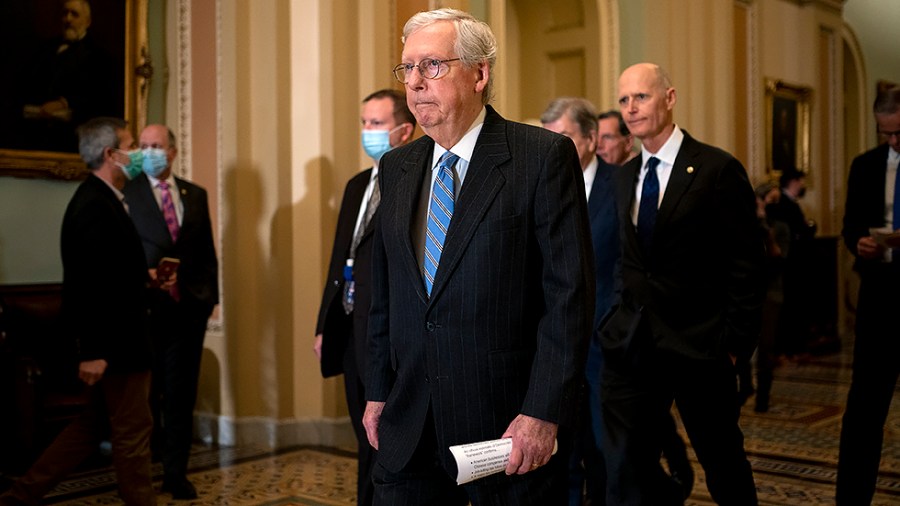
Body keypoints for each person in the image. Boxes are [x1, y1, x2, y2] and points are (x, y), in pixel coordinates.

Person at [362, 8, 594, 505]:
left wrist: (542, 412)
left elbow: (568, 297)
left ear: (480, 73)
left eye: (433, 66)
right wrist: (377, 390)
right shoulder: (396, 167)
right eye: (407, 69)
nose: (416, 83)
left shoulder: (541, 156)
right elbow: (385, 294)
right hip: (409, 425)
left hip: (505, 428)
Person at [599, 63, 764, 505]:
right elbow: (627, 259)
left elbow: (747, 263)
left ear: (669, 98)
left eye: (641, 97)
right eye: (624, 100)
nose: (631, 109)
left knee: (723, 463)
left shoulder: (715, 169)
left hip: (700, 346)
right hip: (634, 346)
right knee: (628, 463)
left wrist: (734, 345)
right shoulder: (623, 176)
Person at [0, 117, 156, 506]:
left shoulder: (105, 200)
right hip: (117, 348)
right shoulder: (93, 206)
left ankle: (20, 496)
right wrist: (92, 351)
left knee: (87, 429)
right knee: (133, 432)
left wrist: (145, 278)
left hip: (119, 342)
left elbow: (111, 275)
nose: (137, 153)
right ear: (110, 154)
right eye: (131, 144)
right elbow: (86, 288)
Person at [313, 89, 415, 506]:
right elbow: (341, 259)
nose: (367, 132)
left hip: (389, 334)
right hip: (351, 327)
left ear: (404, 131)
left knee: (387, 438)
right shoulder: (358, 184)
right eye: (364, 123)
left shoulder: (412, 182)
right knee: (362, 435)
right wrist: (324, 324)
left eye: (376, 124)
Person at [122, 124, 219, 500]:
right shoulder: (126, 194)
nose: (149, 152)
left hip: (187, 311)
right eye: (143, 146)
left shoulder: (193, 194)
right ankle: (143, 471)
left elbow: (206, 252)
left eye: (156, 146)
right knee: (147, 398)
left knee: (181, 396)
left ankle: (176, 473)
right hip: (145, 311)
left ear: (173, 152)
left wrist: (208, 300)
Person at [836, 85, 900, 505]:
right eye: (885, 134)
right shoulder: (866, 166)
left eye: (899, 133)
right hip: (880, 299)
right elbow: (849, 225)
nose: (893, 142)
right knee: (863, 409)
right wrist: (859, 241)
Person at [17, 0, 118, 152]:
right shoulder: (46, 49)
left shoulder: (98, 56)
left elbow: (98, 94)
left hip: (72, 139)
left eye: (74, 14)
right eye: (65, 14)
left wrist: (64, 102)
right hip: (38, 137)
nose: (68, 19)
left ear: (88, 21)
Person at [769, 169, 815, 358]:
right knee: (790, 307)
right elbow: (794, 231)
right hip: (790, 264)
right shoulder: (783, 204)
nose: (803, 185)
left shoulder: (790, 203)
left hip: (795, 262)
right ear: (793, 182)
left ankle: (794, 347)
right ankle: (788, 348)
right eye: (801, 181)